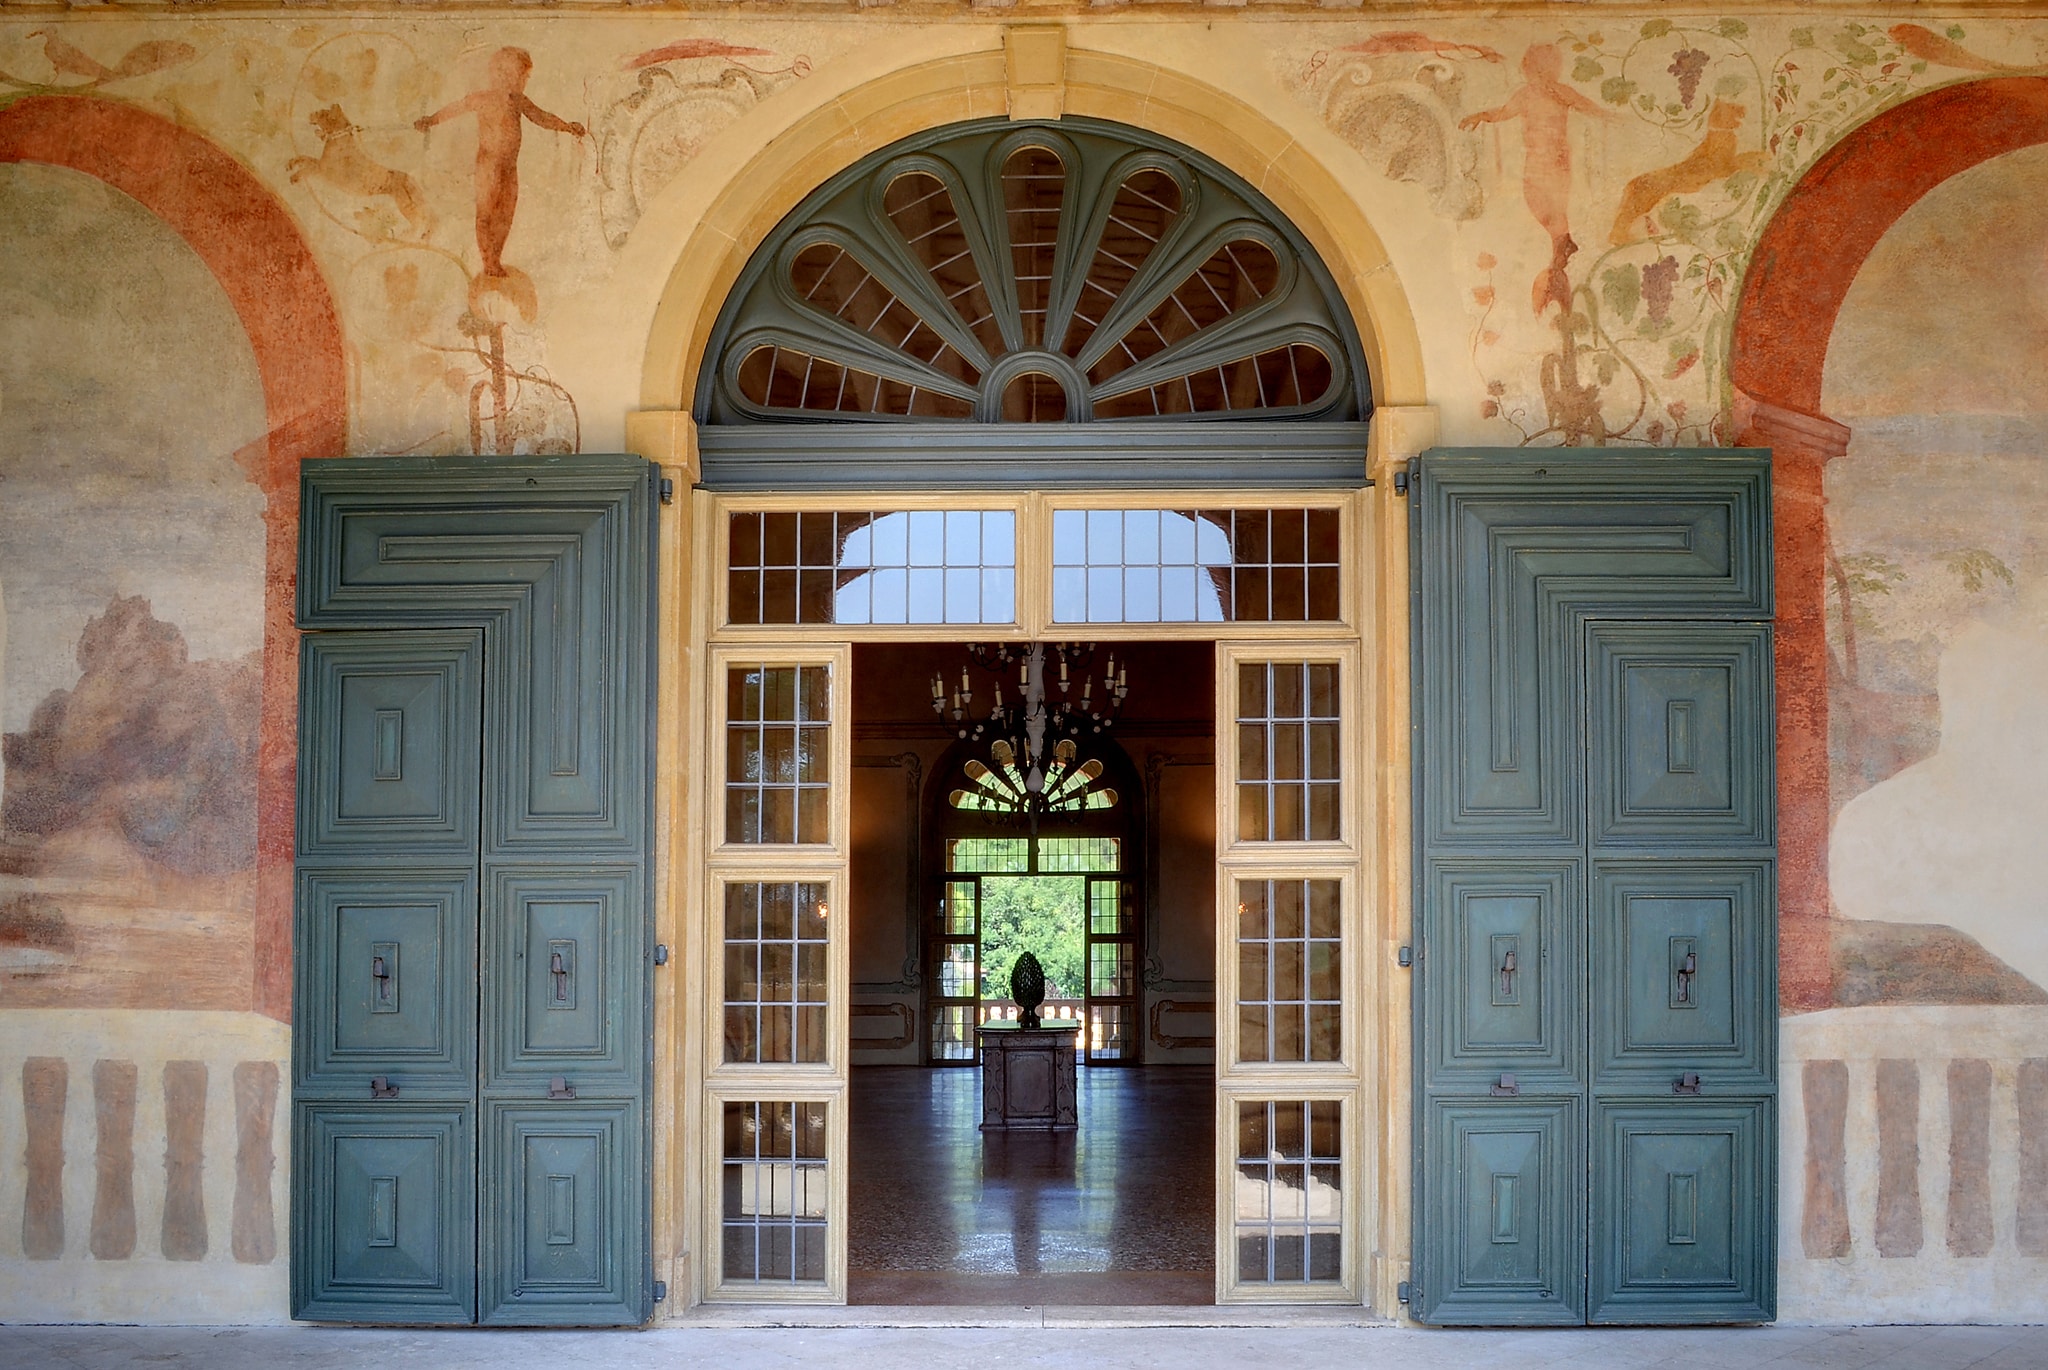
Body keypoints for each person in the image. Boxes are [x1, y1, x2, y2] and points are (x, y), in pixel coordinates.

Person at [416, 47, 585, 279]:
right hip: (489, 164)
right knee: (486, 212)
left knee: (506, 212)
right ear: (505, 73)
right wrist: (431, 120)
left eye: (526, 77)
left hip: (509, 167)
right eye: (522, 76)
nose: (525, 81)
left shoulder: (518, 100)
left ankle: (496, 257)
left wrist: (566, 126)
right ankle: (489, 262)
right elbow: (455, 108)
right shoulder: (483, 98)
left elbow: (541, 117)